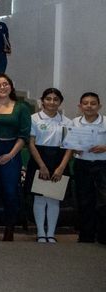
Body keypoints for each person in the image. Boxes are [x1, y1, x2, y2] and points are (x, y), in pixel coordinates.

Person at [0, 74, 30, 241]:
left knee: (10, 192)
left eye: (5, 84)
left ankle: (9, 228)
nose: (2, 87)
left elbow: (24, 135)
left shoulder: (21, 107)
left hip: (11, 153)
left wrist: (10, 155)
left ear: (11, 86)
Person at [25, 88, 72, 243]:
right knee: (39, 199)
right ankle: (40, 233)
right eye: (48, 99)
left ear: (60, 102)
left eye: (55, 99)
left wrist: (61, 167)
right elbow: (31, 143)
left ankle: (50, 233)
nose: (52, 102)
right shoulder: (34, 119)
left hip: (59, 160)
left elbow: (69, 147)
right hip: (39, 159)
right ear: (42, 101)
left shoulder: (67, 121)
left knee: (54, 198)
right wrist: (41, 166)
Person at [70, 92, 106, 244]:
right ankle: (86, 236)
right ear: (80, 106)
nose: (89, 106)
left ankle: (103, 236)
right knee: (84, 201)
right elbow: (68, 143)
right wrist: (74, 149)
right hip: (82, 164)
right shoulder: (74, 122)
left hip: (103, 165)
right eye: (85, 103)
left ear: (99, 106)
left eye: (93, 103)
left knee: (104, 201)